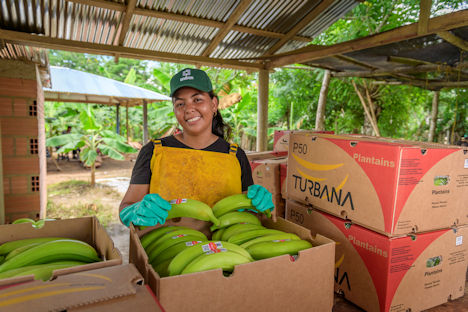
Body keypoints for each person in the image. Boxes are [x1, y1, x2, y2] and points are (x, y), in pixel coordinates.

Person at [119, 68, 274, 227]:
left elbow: (245, 210)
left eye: (197, 99)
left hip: (225, 247)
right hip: (166, 246)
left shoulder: (235, 156)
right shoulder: (153, 151)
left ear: (214, 104)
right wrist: (134, 212)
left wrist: (258, 205)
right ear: (174, 110)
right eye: (180, 103)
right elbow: (126, 206)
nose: (189, 109)